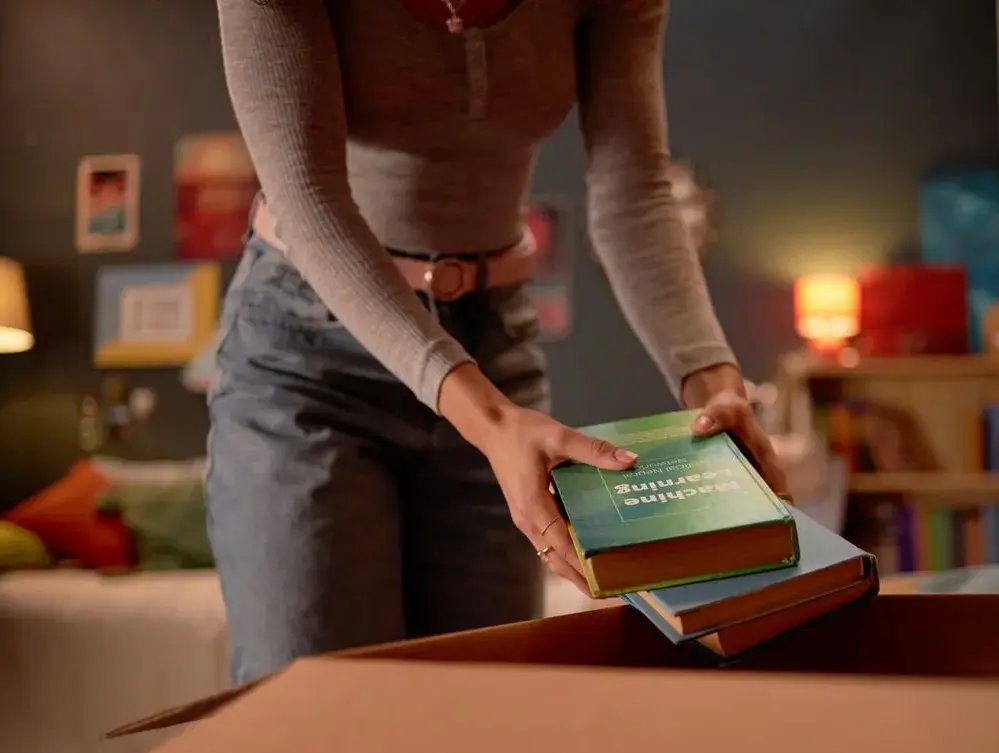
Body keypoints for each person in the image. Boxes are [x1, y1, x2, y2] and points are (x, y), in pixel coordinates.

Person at [208, 0, 789, 686]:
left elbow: (634, 188)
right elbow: (307, 195)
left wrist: (715, 383)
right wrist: (493, 423)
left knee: (490, 710)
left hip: (493, 340)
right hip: (308, 355)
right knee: (317, 718)